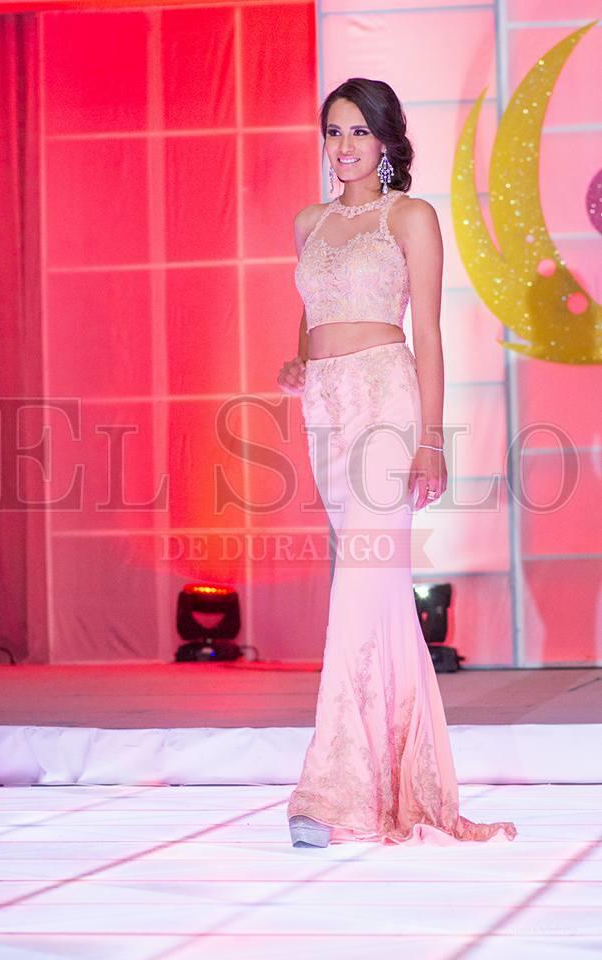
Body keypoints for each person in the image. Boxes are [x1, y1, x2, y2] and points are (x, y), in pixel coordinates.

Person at [277, 78, 517, 848]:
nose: (343, 146)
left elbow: (430, 335)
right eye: (332, 132)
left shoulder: (409, 216)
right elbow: (313, 310)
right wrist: (298, 360)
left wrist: (431, 439)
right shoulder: (309, 222)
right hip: (324, 411)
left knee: (358, 588)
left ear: (384, 140)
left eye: (357, 131)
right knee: (377, 597)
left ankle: (331, 794)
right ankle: (402, 782)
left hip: (386, 403)